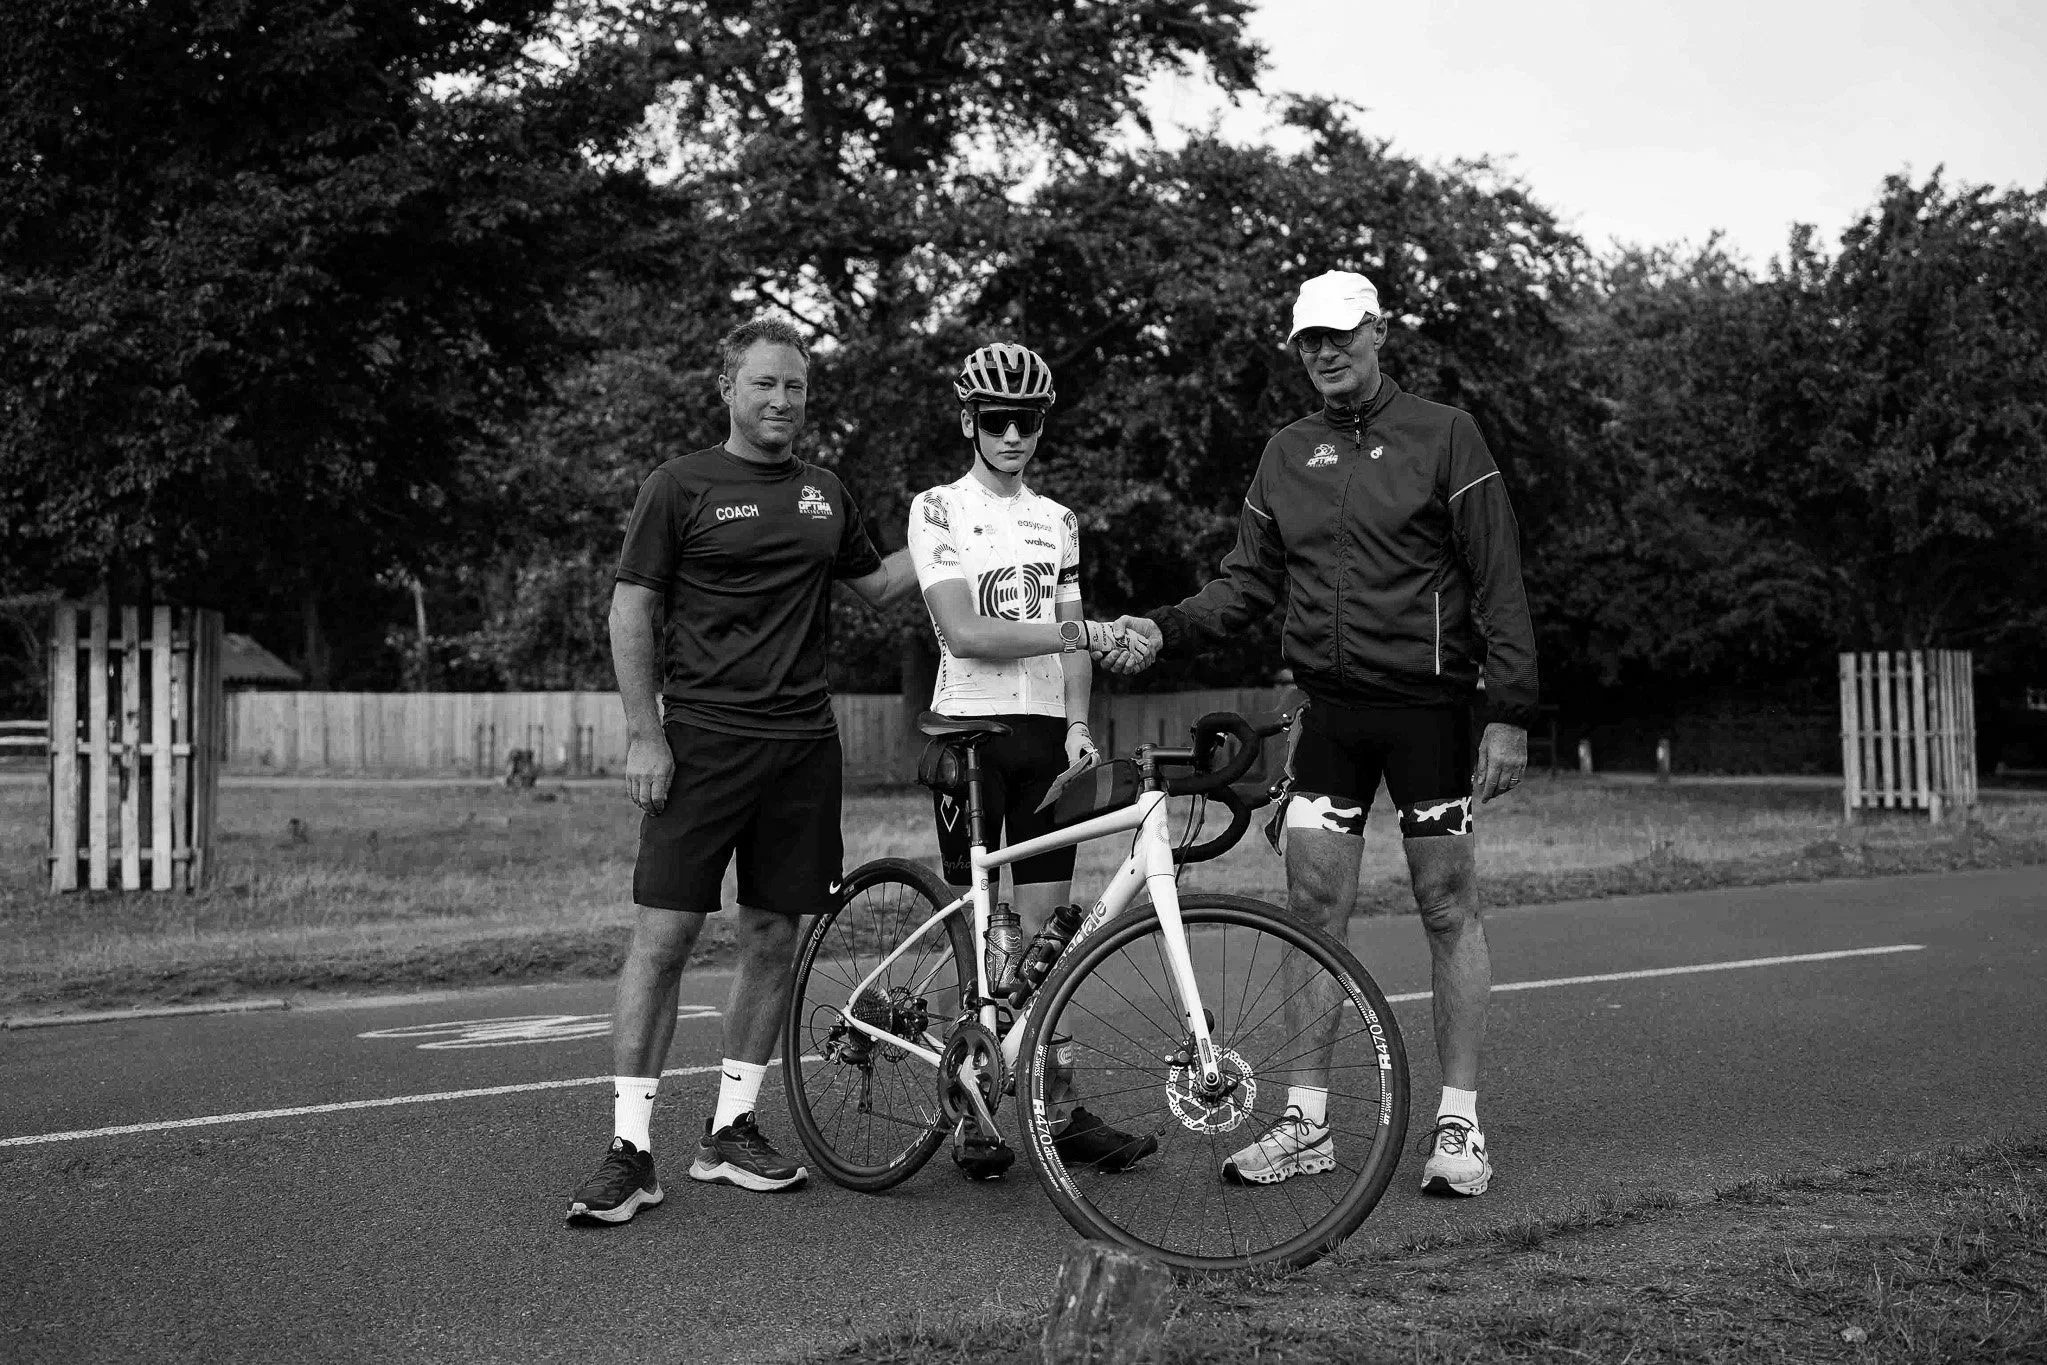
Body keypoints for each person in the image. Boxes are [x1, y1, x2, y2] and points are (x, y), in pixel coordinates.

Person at [1104, 270, 1537, 1198]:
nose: (1326, 352)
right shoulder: (1283, 454)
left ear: (1379, 331)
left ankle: (1457, 1123)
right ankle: (1307, 1120)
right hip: (1329, 716)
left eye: (1341, 334)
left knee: (1446, 904)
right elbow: (1243, 584)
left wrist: (1509, 710)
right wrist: (1163, 623)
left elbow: (1498, 577)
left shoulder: (1445, 434)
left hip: (1430, 713)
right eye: (1309, 340)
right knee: (1311, 908)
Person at [566, 316, 921, 1226]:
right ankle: (628, 1149)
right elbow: (629, 612)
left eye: (795, 387)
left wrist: (966, 514)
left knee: (772, 935)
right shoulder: (677, 485)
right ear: (727, 387)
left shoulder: (824, 492)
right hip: (703, 743)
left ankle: (731, 1129)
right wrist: (645, 735)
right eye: (764, 384)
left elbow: (882, 587)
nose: (781, 401)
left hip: (803, 748)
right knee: (665, 937)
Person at [905, 341, 1157, 1180]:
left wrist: (1079, 721)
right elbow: (967, 633)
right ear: (970, 421)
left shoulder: (1058, 520)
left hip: (1045, 738)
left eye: (1028, 421)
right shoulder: (936, 508)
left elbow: (1072, 633)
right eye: (997, 420)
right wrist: (1077, 631)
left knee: (1050, 936)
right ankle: (972, 1107)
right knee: (979, 935)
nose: (1014, 435)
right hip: (971, 736)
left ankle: (1056, 1106)